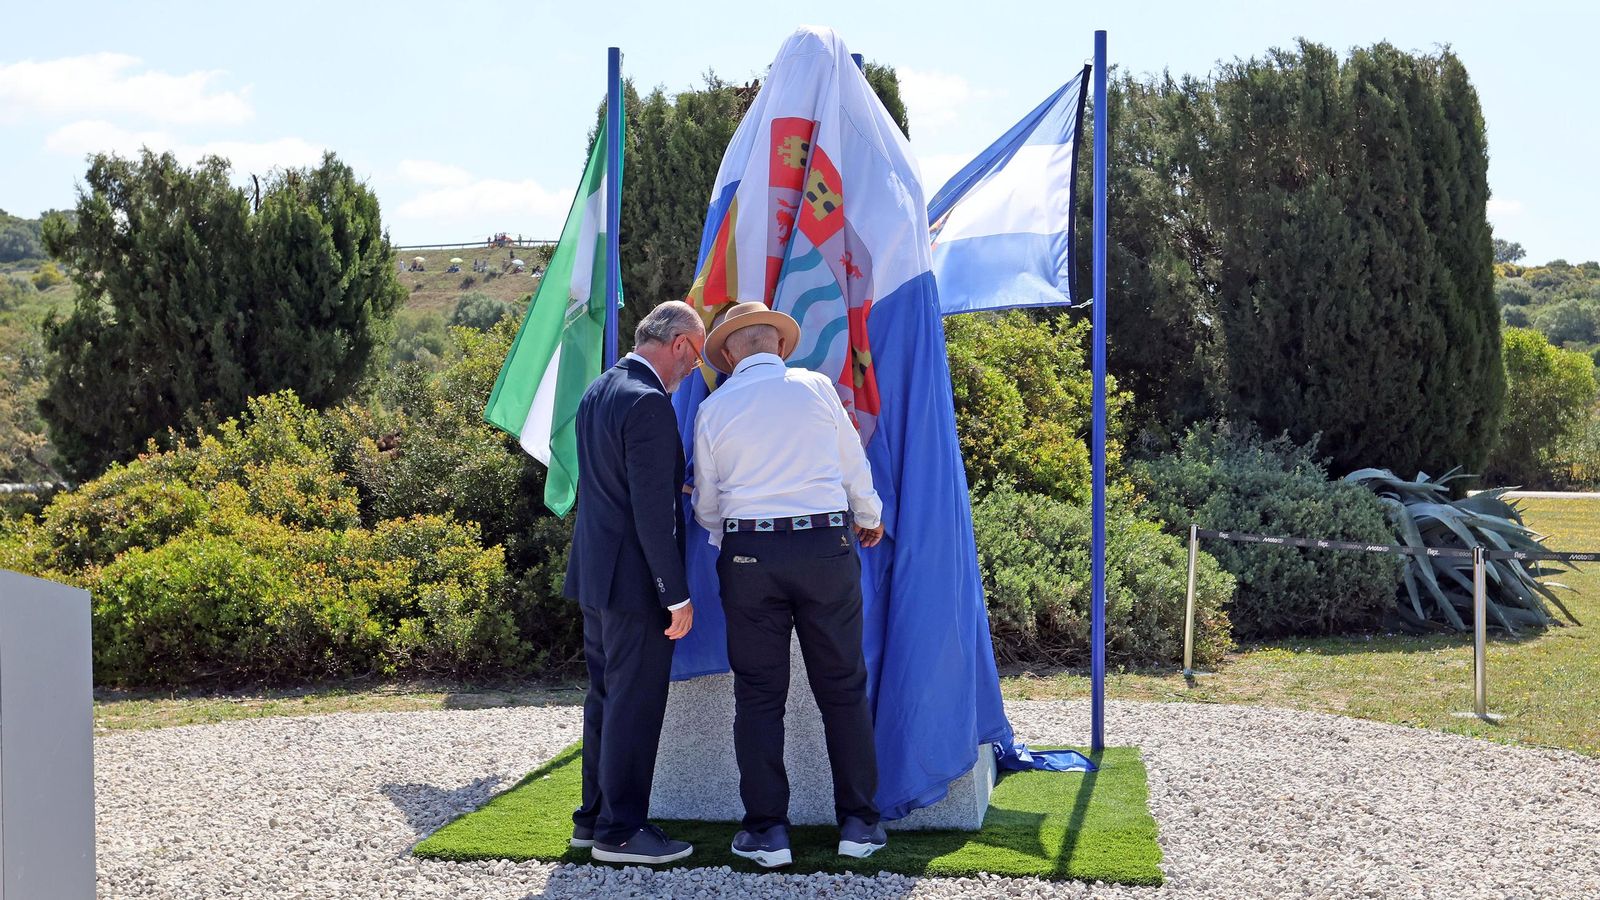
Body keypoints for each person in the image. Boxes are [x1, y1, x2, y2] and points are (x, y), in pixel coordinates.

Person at [691, 301, 887, 868]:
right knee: (843, 687)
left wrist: (735, 530)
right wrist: (868, 517)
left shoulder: (713, 408)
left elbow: (708, 508)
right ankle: (858, 824)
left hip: (750, 554)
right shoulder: (817, 388)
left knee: (758, 696)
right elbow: (854, 463)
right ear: (778, 344)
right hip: (825, 545)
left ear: (729, 354)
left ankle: (767, 833)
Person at [564, 301, 707, 866]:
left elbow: (612, 487)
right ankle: (621, 832)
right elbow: (653, 512)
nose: (694, 369)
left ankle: (592, 818)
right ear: (677, 343)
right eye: (695, 356)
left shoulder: (599, 390)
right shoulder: (649, 403)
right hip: (635, 585)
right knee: (634, 704)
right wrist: (675, 593)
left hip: (598, 577)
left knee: (604, 699)